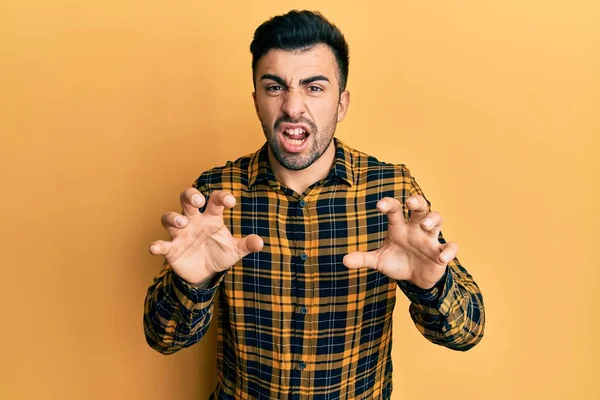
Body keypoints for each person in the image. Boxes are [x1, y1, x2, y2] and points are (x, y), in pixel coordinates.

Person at [143, 9, 485, 400]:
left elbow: (468, 332)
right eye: (275, 87)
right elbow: (163, 338)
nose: (292, 107)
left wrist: (431, 284)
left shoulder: (391, 190)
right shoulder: (218, 194)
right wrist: (193, 282)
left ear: (341, 103)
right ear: (256, 101)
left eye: (314, 87)